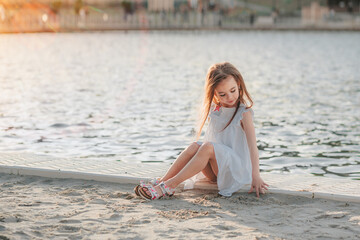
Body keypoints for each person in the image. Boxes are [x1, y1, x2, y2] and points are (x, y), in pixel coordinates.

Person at [135, 62, 269, 200]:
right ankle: (163, 181)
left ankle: (169, 185)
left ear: (239, 85)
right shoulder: (215, 110)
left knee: (207, 147)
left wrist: (256, 176)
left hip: (236, 171)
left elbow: (253, 147)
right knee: (195, 146)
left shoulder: (244, 113)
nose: (229, 97)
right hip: (217, 169)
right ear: (214, 94)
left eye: (233, 90)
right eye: (222, 94)